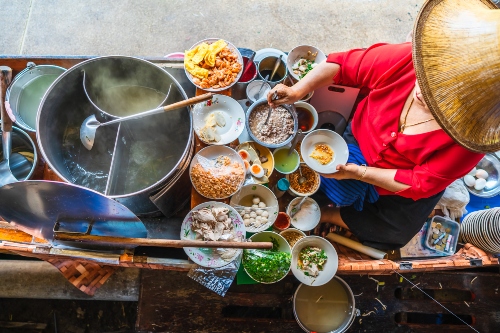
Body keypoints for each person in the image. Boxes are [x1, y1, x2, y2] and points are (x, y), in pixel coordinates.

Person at [267, 37, 491, 249]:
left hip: (400, 177)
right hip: (360, 140)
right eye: (427, 79)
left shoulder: (470, 140)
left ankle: (327, 214)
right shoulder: (409, 60)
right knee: (321, 181)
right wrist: (297, 90)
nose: (421, 91)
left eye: (440, 99)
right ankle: (333, 202)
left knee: (394, 233)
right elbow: (345, 65)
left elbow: (420, 182)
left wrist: (361, 174)